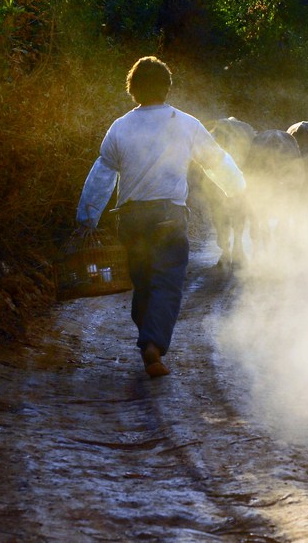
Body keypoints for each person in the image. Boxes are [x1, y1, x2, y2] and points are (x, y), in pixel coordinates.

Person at [76, 56, 246, 378]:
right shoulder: (185, 124)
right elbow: (215, 161)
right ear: (167, 88)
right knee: (168, 282)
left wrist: (87, 218)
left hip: (130, 219)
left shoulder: (120, 127)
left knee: (142, 282)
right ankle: (153, 343)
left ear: (132, 90)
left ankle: (148, 341)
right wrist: (236, 189)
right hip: (169, 217)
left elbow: (101, 175)